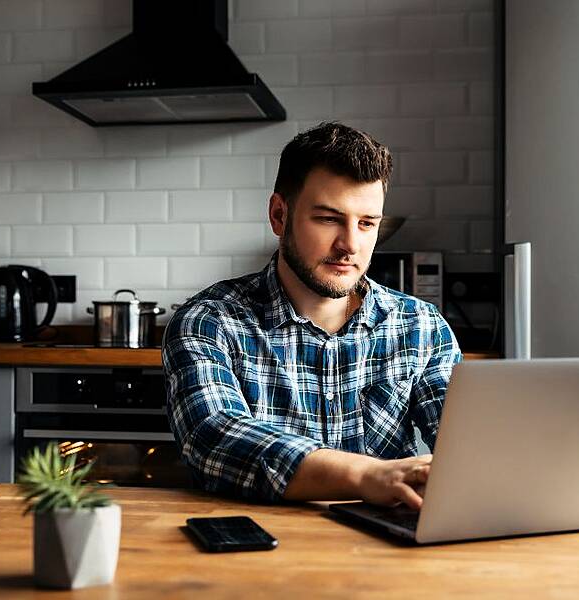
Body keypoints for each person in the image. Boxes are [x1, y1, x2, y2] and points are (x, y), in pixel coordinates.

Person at [162, 122, 462, 509]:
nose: (350, 245)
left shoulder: (422, 326)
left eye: (367, 223)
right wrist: (367, 475)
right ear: (278, 215)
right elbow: (214, 437)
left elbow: (467, 448)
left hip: (387, 550)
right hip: (255, 550)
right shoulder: (209, 322)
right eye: (328, 219)